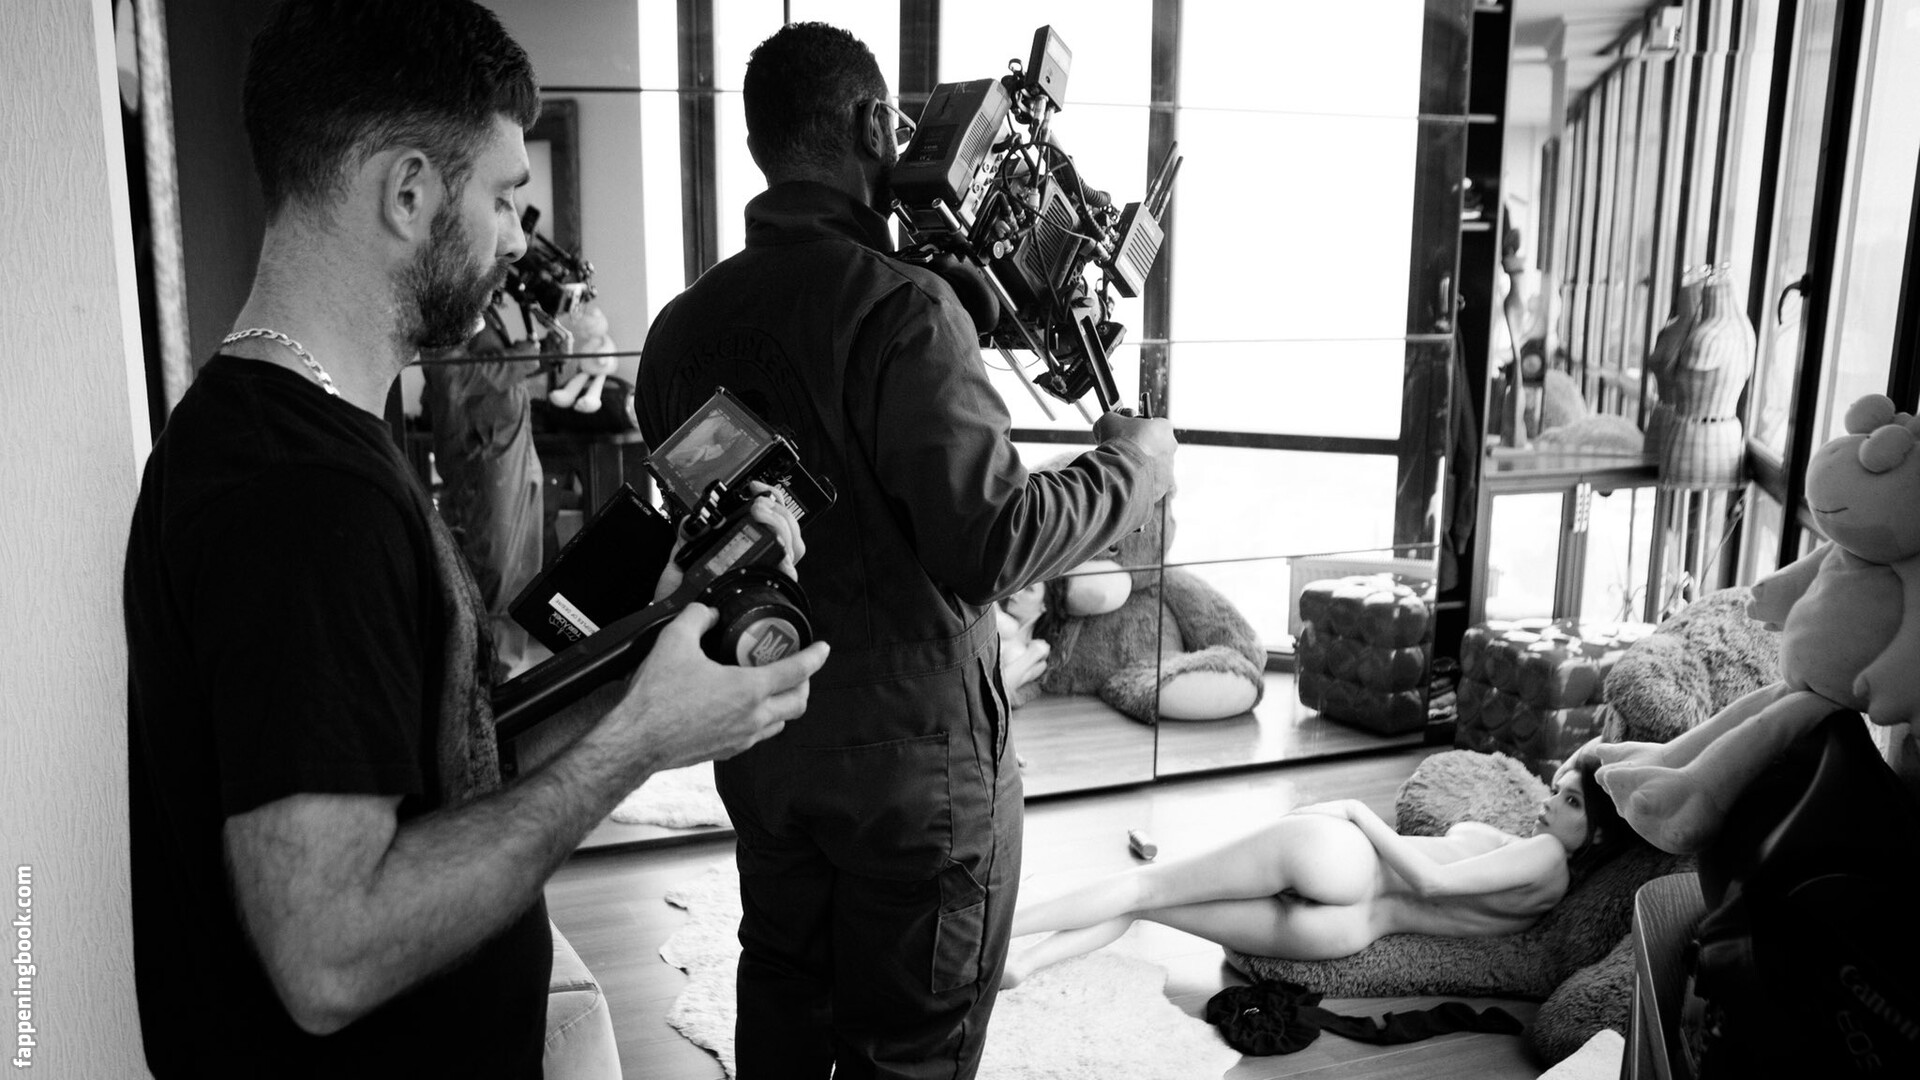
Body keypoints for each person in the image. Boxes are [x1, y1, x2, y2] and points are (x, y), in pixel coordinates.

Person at [121, 4, 828, 1078]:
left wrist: (658, 634)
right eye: (501, 197)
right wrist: (640, 742)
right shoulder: (300, 496)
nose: (514, 238)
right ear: (408, 193)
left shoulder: (290, 437)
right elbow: (330, 953)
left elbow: (453, 767)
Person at [632, 21, 1179, 1079]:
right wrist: (1133, 468)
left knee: (783, 998)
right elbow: (993, 541)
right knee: (911, 1050)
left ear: (761, 146)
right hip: (918, 766)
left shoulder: (676, 332)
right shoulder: (903, 309)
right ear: (876, 125)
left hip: (766, 737)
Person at [1000, 751, 1644, 987]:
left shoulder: (1544, 856)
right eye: (1555, 789)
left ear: (1597, 834)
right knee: (1147, 903)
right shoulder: (1546, 891)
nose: (1547, 803)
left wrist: (1359, 814)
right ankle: (1023, 965)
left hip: (1349, 862)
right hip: (1347, 931)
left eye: (1570, 802)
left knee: (1145, 883)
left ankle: (997, 931)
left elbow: (1435, 881)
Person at [420, 318, 545, 678]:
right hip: (484, 460)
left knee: (523, 568)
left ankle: (503, 672)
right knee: (494, 565)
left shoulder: (488, 312)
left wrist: (545, 353)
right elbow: (452, 378)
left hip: (517, 450)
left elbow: (502, 375)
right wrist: (521, 359)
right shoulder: (449, 310)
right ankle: (479, 676)